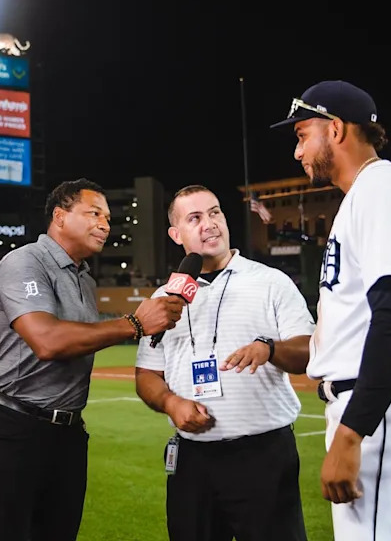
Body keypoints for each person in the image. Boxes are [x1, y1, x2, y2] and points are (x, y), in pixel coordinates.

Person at [270, 79, 391, 540]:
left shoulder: (381, 190)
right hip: (389, 410)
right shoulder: (371, 194)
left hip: (384, 417)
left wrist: (353, 431)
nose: (297, 152)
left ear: (335, 130)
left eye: (302, 135)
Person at [0, 178, 186, 541]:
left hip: (66, 433)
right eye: (94, 213)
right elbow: (47, 340)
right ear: (60, 216)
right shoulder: (24, 262)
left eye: (108, 217)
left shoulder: (83, 277)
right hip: (12, 426)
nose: (105, 224)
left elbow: (84, 334)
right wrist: (134, 323)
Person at [135, 185, 314, 541]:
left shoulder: (270, 282)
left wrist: (270, 349)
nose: (209, 224)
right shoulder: (163, 298)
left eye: (215, 212)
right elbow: (147, 374)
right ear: (176, 234)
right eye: (195, 218)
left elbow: (309, 349)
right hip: (192, 461)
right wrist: (171, 402)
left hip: (263, 455)